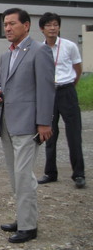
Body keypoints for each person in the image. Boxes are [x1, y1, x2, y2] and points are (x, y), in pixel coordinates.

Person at [0, 8, 55, 243]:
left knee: (23, 175)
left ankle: (29, 227)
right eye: (5, 24)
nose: (7, 28)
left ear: (26, 26)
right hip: (7, 123)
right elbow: (2, 85)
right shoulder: (6, 55)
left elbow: (46, 90)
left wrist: (44, 123)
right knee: (14, 176)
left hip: (29, 124)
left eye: (12, 24)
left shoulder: (40, 51)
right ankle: (23, 216)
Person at [37, 12, 86, 189]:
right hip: (48, 94)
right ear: (42, 29)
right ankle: (50, 173)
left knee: (74, 134)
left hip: (66, 91)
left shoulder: (69, 46)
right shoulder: (39, 49)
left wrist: (70, 86)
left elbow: (77, 69)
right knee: (49, 134)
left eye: (55, 25)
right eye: (49, 25)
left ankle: (78, 174)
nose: (52, 28)